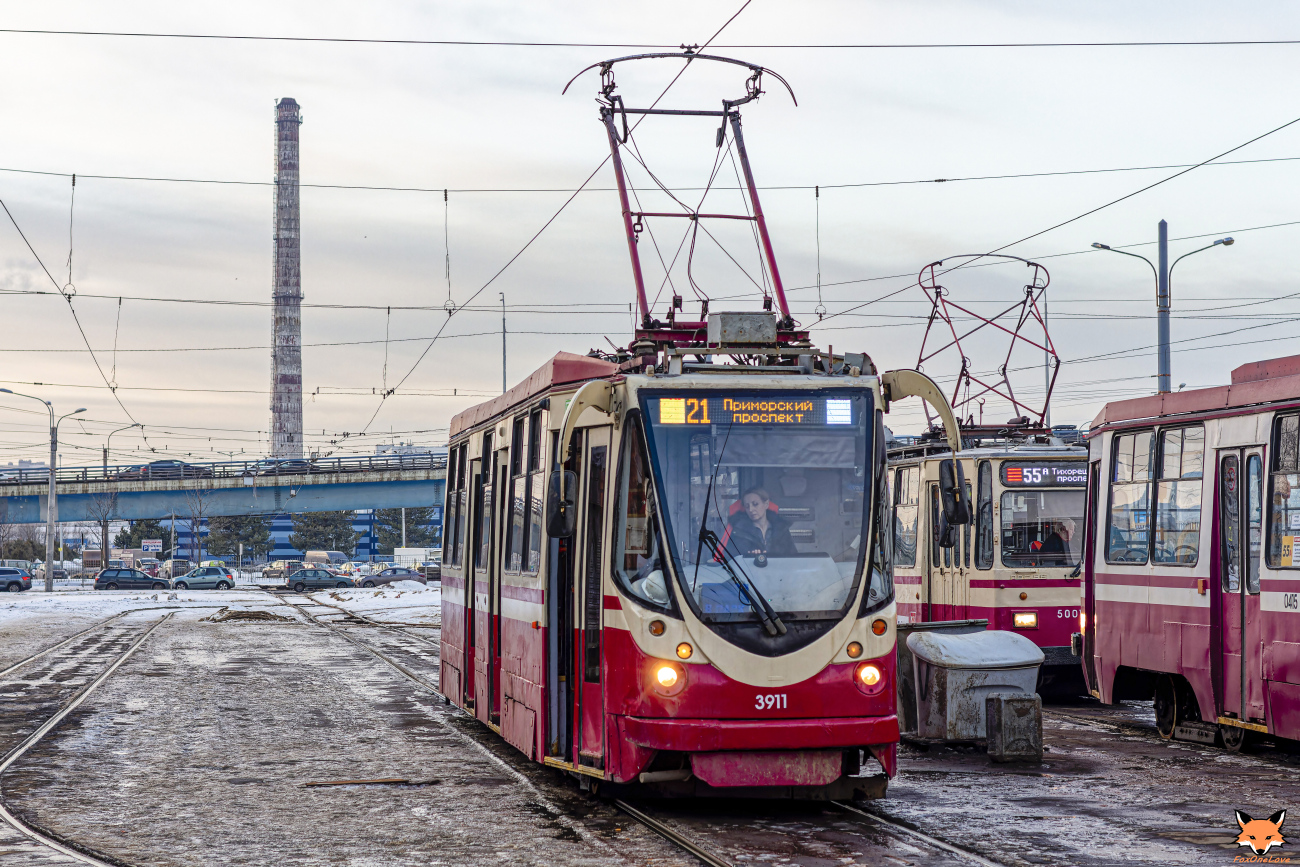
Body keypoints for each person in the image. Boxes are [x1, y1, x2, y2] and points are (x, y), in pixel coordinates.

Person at [725, 488, 797, 557]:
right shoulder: (738, 532)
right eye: (747, 506)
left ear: (766, 504)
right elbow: (730, 559)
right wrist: (749, 556)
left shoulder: (781, 529)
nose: (751, 509)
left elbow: (793, 558)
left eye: (755, 504)